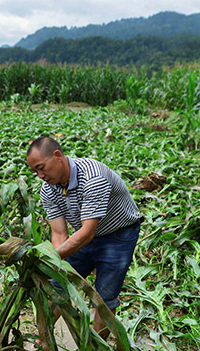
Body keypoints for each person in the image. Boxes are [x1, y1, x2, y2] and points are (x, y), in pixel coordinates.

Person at [24, 133, 141, 337]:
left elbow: (87, 232)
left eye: (41, 168)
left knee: (104, 297)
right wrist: (55, 264)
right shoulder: (48, 189)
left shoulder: (93, 177)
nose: (40, 176)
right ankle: (44, 339)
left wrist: (51, 258)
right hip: (84, 234)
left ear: (57, 155)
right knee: (56, 285)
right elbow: (59, 232)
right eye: (35, 171)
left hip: (118, 235)